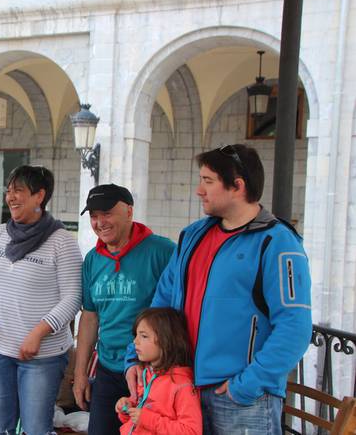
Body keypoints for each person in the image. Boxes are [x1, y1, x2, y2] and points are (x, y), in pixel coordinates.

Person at [126, 144, 312, 435]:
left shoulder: (277, 242)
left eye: (208, 181)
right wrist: (135, 356)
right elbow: (160, 307)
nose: (199, 190)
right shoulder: (192, 236)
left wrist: (247, 384)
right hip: (182, 389)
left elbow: (295, 327)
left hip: (241, 399)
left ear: (237, 186)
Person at [0, 165, 82, 435]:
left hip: (43, 357)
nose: (10, 197)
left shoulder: (61, 241)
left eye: (18, 191)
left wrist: (38, 333)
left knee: (36, 429)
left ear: (39, 196)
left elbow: (73, 297)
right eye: (8, 191)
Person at [74, 184, 175, 435]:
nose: (100, 222)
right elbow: (90, 317)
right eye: (94, 216)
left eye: (107, 213)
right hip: (107, 369)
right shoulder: (93, 259)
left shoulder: (163, 251)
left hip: (152, 372)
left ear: (129, 211)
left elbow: (179, 313)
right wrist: (80, 373)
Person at [115, 307, 201, 435]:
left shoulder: (182, 385)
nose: (135, 341)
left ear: (166, 341)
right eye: (136, 335)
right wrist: (127, 408)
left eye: (144, 336)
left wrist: (146, 419)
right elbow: (137, 419)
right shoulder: (146, 374)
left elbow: (192, 431)